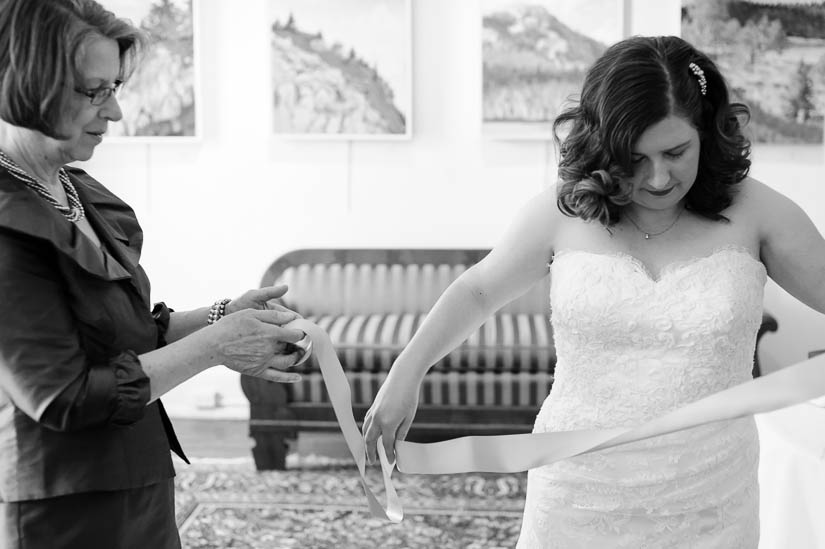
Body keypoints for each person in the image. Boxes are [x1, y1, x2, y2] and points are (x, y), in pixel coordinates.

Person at [363, 35, 825, 547]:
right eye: (634, 157)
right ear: (604, 146)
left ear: (707, 133)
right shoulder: (562, 211)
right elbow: (478, 291)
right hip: (578, 486)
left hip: (710, 493)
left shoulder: (760, 213)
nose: (656, 178)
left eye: (675, 152)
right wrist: (406, 372)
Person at [0, 1, 306, 547]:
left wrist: (223, 316)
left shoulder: (79, 192)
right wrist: (216, 347)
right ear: (24, 83)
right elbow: (63, 396)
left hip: (135, 478)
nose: (114, 111)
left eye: (115, 87)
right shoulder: (6, 221)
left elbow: (128, 332)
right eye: (93, 91)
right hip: (65, 506)